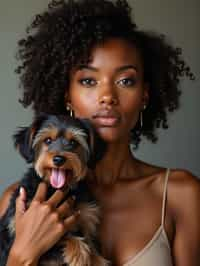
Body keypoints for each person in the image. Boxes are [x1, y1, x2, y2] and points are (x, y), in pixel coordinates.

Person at [0, 0, 199, 265]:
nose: (107, 96)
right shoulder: (22, 202)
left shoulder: (180, 193)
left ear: (144, 96)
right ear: (67, 96)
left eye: (125, 81)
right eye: (88, 81)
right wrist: (21, 255)